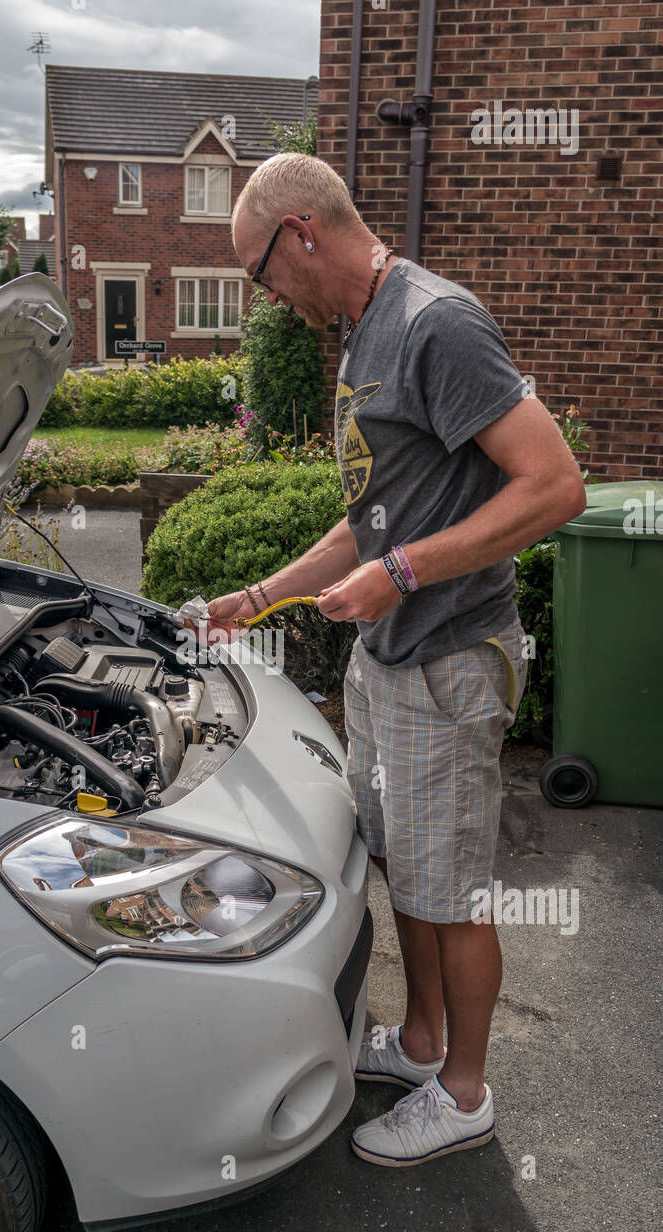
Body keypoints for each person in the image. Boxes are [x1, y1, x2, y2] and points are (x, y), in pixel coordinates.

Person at [206, 153, 586, 1167]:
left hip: (450, 659)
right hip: (388, 658)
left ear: (301, 233)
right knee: (398, 868)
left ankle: (462, 1094)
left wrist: (403, 572)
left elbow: (553, 487)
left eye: (258, 272)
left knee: (449, 890)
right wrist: (259, 596)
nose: (267, 299)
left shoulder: (434, 323)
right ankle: (421, 1044)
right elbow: (367, 519)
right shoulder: (362, 335)